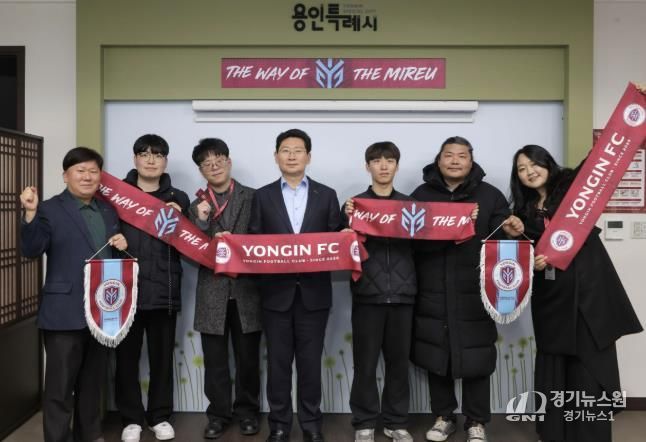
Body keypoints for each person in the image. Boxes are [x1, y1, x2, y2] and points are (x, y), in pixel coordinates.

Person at [509, 144, 642, 442]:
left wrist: (632, 114)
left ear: (547, 163)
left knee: (589, 363)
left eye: (534, 164)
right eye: (521, 169)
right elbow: (520, 258)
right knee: (554, 365)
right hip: (551, 298)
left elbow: (599, 161)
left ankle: (590, 434)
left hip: (589, 291)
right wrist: (530, 257)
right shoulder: (522, 212)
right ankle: (555, 433)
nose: (529, 171)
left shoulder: (574, 188)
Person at [410, 136, 522, 442]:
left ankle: (476, 420)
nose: (455, 161)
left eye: (462, 155)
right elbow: (410, 238)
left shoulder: (490, 195)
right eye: (449, 155)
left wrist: (510, 232)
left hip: (476, 290)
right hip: (432, 288)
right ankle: (443, 416)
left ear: (471, 162)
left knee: (477, 357)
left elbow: (502, 244)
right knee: (436, 355)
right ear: (439, 160)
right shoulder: (421, 195)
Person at [20, 147, 128, 442]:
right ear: (65, 176)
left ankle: (90, 435)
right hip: (63, 311)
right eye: (80, 171)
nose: (87, 177)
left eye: (93, 171)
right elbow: (31, 250)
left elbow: (110, 260)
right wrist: (30, 213)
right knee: (59, 387)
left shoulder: (107, 210)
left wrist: (121, 245)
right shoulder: (48, 208)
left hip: (102, 311)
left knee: (92, 385)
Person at [248, 128, 342, 442]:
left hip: (315, 295)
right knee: (278, 365)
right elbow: (253, 242)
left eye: (298, 150)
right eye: (285, 150)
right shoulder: (262, 196)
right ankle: (279, 425)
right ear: (276, 157)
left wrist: (345, 234)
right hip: (275, 295)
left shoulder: (326, 195)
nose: (291, 156)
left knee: (310, 364)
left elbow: (335, 240)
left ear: (308, 157)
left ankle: (312, 424)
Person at [115, 134, 190, 442]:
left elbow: (190, 241)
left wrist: (181, 217)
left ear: (165, 162)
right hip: (124, 290)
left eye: (157, 155)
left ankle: (160, 416)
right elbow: (104, 232)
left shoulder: (179, 198)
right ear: (135, 159)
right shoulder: (117, 194)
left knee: (161, 359)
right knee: (126, 359)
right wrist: (114, 240)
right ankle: (131, 419)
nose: (150, 160)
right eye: (144, 154)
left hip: (164, 288)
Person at [342, 142, 417, 442]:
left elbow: (429, 242)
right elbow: (341, 245)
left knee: (399, 364)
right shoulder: (354, 206)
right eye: (376, 161)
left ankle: (396, 422)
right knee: (365, 363)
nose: (383, 166)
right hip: (367, 296)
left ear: (397, 166)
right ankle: (364, 422)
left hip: (403, 295)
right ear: (367, 166)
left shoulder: (412, 207)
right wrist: (347, 219)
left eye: (389, 160)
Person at [188, 138, 262, 439]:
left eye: (218, 160)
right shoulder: (195, 206)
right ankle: (218, 415)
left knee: (248, 360)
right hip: (212, 292)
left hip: (248, 291)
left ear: (229, 162)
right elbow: (191, 248)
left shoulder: (255, 197)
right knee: (215, 362)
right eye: (207, 163)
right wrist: (203, 223)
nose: (214, 166)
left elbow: (265, 240)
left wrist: (238, 244)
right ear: (201, 170)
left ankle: (248, 413)